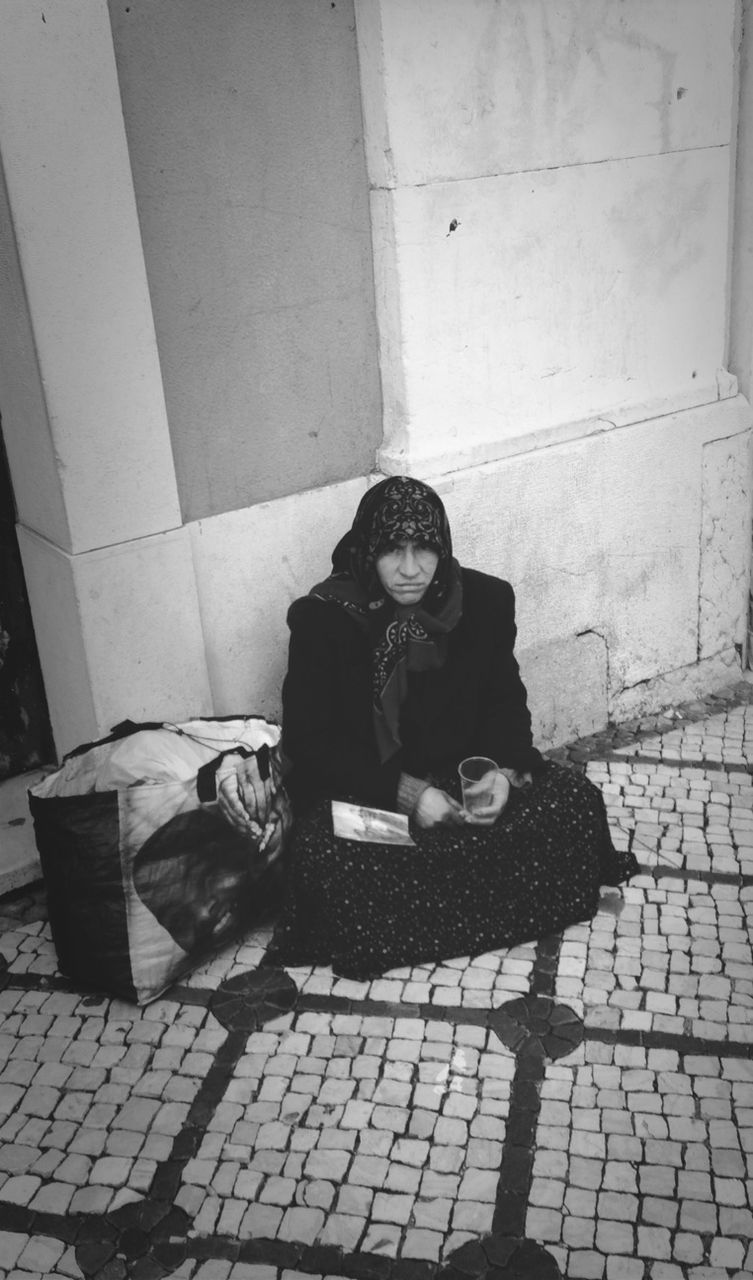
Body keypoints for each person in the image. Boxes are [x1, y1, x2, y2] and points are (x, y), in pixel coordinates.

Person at [221, 476, 637, 979]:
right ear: (366, 550)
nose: (411, 569)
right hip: (373, 793)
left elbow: (506, 704)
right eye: (393, 550)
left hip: (458, 782)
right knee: (326, 854)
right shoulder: (325, 621)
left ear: (443, 548)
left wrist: (502, 775)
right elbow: (313, 743)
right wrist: (409, 796)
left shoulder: (483, 601)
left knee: (574, 803)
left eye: (424, 549)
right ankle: (484, 899)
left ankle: (440, 906)